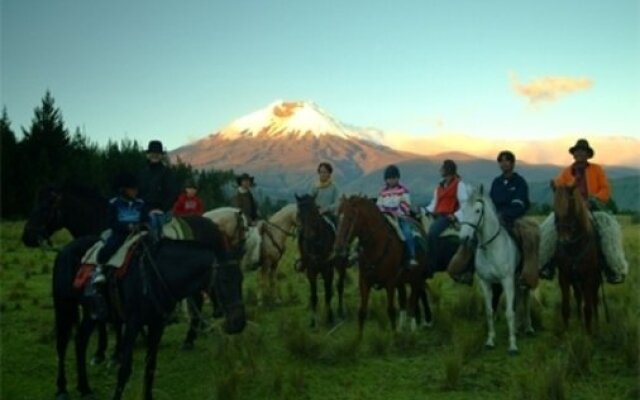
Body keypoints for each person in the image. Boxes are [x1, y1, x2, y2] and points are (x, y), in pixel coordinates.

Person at [540, 138, 626, 284]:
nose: (580, 154)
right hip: (570, 211)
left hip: (592, 208)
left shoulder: (597, 169)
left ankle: (614, 267)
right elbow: (559, 186)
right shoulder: (566, 172)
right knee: (548, 229)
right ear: (573, 154)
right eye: (577, 151)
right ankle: (546, 264)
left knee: (609, 230)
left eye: (583, 151)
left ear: (587, 154)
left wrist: (594, 199)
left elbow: (605, 188)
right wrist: (555, 186)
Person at [89, 172, 146, 319]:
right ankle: (99, 271)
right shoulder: (114, 203)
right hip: (121, 234)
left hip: (138, 234)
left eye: (136, 189)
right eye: (132, 189)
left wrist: (142, 225)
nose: (135, 191)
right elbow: (111, 222)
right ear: (125, 190)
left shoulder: (140, 204)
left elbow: (145, 219)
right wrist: (126, 227)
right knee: (108, 248)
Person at [489, 150, 540, 288]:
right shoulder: (496, 182)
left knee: (528, 237)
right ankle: (471, 268)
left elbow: (519, 204)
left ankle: (528, 273)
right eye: (501, 161)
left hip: (515, 218)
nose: (504, 163)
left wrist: (505, 215)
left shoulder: (519, 182)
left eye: (507, 160)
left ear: (512, 163)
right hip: (496, 218)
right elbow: (491, 202)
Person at [424, 160, 469, 275]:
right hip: (437, 214)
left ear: (448, 170)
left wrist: (455, 216)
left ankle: (431, 265)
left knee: (432, 233)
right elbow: (434, 203)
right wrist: (423, 211)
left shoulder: (459, 185)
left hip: (448, 216)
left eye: (442, 168)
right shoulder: (440, 186)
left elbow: (465, 204)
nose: (440, 170)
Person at [377, 164, 417, 268]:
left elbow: (405, 204)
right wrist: (383, 212)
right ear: (386, 179)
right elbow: (379, 205)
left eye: (394, 178)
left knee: (407, 233)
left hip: (400, 217)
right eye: (389, 178)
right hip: (385, 217)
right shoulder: (383, 192)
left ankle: (412, 256)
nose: (391, 180)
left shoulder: (403, 191)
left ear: (398, 178)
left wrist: (396, 212)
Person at [138, 140, 179, 239]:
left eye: (157, 153)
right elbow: (138, 193)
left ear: (161, 156)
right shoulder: (142, 173)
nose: (154, 155)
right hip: (144, 211)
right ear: (148, 155)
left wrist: (162, 209)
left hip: (161, 211)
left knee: (156, 236)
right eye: (152, 153)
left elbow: (173, 193)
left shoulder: (167, 173)